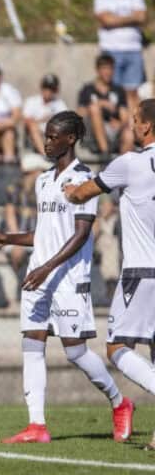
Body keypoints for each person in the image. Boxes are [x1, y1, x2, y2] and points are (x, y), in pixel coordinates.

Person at [0, 111, 132, 445]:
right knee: (32, 344)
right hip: (38, 276)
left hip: (66, 279)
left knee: (75, 352)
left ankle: (119, 402)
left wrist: (47, 268)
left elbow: (81, 235)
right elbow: (45, 234)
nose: (47, 142)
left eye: (53, 137)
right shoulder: (43, 180)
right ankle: (36, 425)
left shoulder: (84, 179)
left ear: (71, 139)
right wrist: (9, 238)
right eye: (46, 136)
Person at [66, 98, 155, 448]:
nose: (131, 125)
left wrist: (71, 192)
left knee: (116, 347)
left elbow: (84, 193)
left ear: (147, 125)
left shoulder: (130, 163)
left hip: (141, 271)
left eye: (135, 119)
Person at [94, 0, 147, 109]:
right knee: (115, 92)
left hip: (133, 49)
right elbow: (106, 20)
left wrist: (116, 19)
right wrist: (131, 17)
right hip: (111, 49)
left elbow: (142, 17)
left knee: (134, 91)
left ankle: (134, 121)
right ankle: (119, 121)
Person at [0, 153, 51, 274]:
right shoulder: (15, 189)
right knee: (18, 252)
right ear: (33, 172)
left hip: (38, 237)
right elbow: (10, 215)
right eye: (41, 171)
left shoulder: (46, 190)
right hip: (18, 235)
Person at [77, 53, 134, 155]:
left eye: (110, 68)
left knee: (129, 133)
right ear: (97, 70)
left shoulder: (118, 90)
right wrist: (100, 104)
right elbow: (79, 113)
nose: (108, 72)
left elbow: (124, 115)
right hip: (92, 133)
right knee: (94, 109)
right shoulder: (87, 89)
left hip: (112, 131)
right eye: (104, 68)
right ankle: (105, 153)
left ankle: (125, 162)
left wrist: (120, 124)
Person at [22, 74, 68, 155]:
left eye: (51, 89)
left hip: (53, 135)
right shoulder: (32, 101)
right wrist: (43, 120)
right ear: (41, 88)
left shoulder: (60, 104)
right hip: (37, 134)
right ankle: (45, 154)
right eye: (46, 88)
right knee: (33, 126)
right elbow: (26, 121)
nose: (48, 91)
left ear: (56, 90)